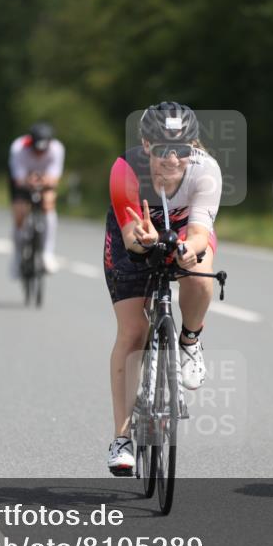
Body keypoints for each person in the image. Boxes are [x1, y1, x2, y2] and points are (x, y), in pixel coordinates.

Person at [103, 102, 222, 475]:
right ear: (146, 144)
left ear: (194, 147)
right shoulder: (126, 169)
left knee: (202, 274)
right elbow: (131, 238)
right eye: (163, 149)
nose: (173, 159)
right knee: (134, 331)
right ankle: (122, 437)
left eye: (183, 149)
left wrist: (187, 250)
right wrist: (144, 240)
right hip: (135, 234)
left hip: (185, 231)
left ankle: (189, 340)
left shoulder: (206, 170)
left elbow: (201, 233)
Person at [8, 122, 65, 275]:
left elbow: (54, 178)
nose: (39, 154)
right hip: (22, 182)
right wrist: (29, 181)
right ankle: (18, 256)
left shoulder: (57, 148)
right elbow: (19, 179)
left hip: (44, 181)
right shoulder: (18, 148)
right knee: (19, 214)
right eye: (36, 150)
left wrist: (43, 181)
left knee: (48, 203)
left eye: (43, 150)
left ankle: (47, 253)